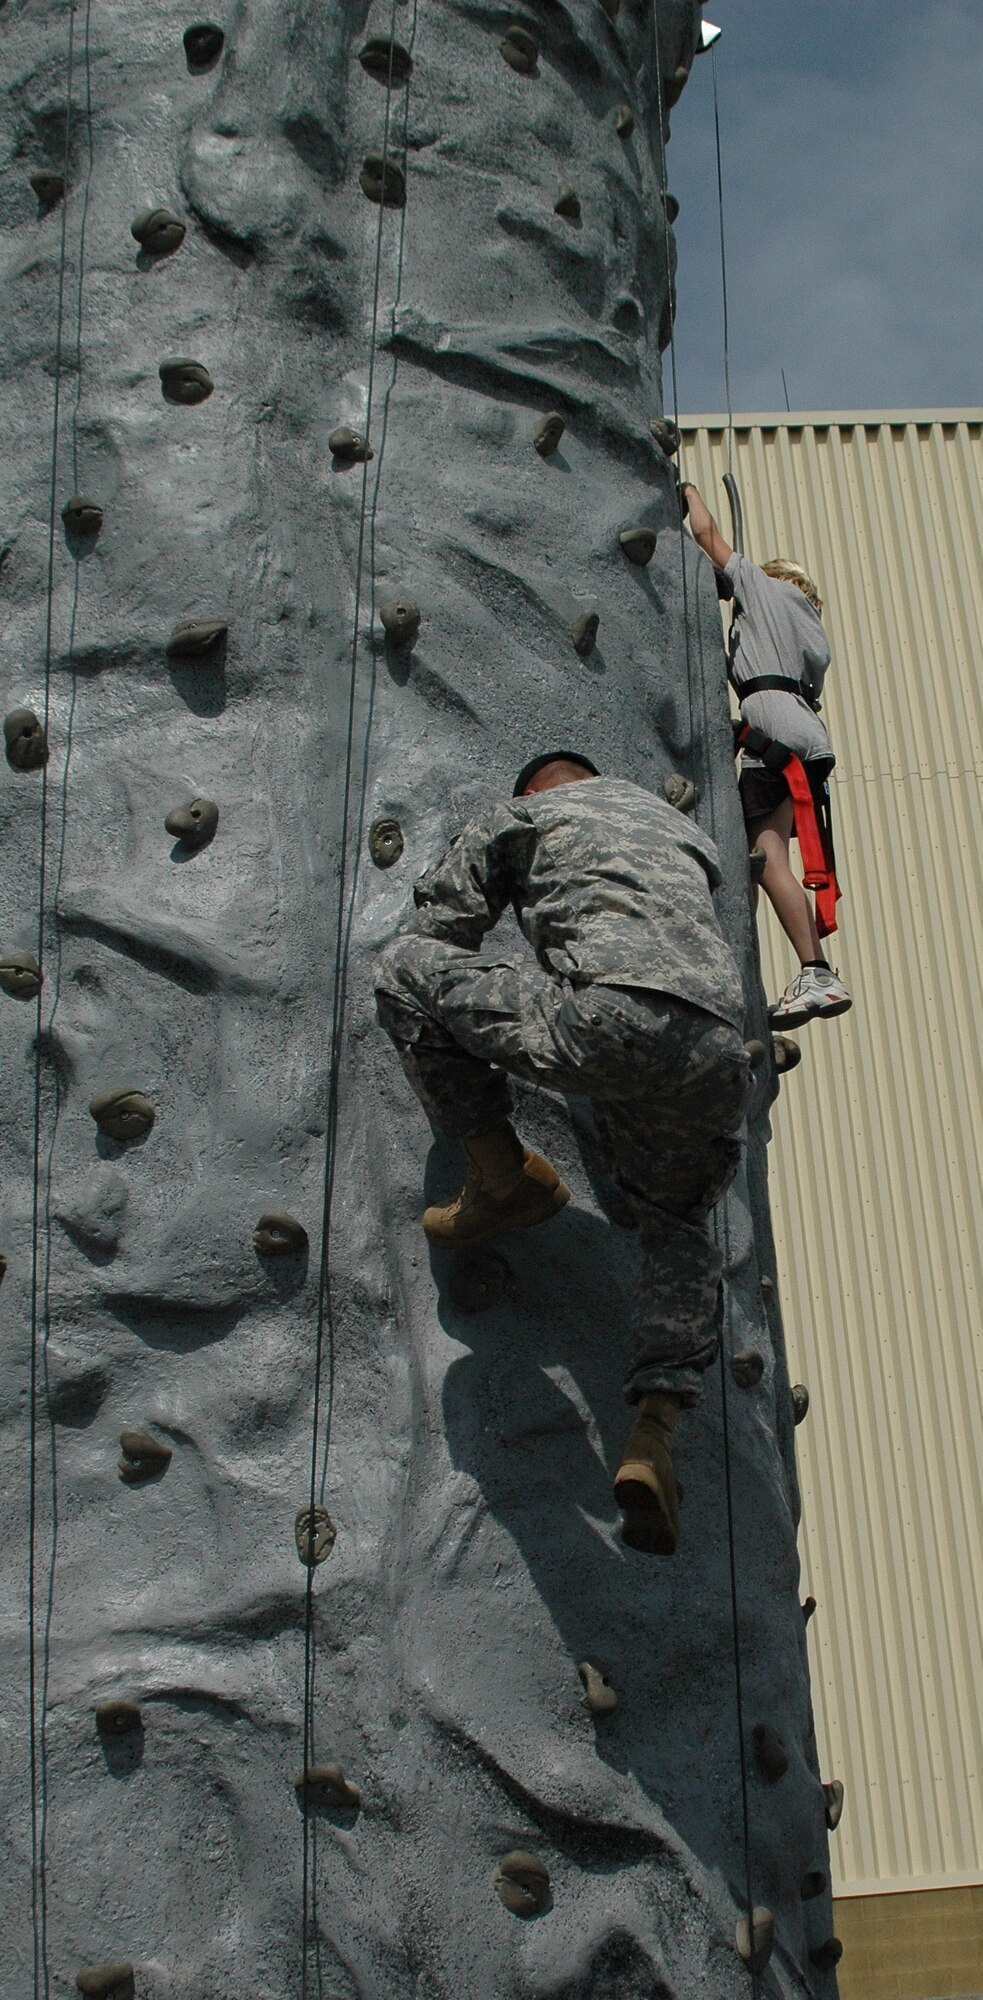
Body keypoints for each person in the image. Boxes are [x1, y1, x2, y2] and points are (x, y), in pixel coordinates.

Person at [374, 753, 752, 1557]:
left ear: (533, 790)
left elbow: (442, 928)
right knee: (675, 1223)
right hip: (718, 1054)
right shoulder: (680, 831)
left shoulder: (524, 817)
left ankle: (501, 1175)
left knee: (405, 970)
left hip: (611, 1020)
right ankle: (653, 1430)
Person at [682, 482, 852, 1031]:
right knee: (764, 857)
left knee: (766, 857)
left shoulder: (762, 587)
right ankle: (799, 969)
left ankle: (816, 971)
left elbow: (707, 534)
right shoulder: (812, 626)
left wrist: (685, 488)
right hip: (803, 735)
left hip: (771, 730)